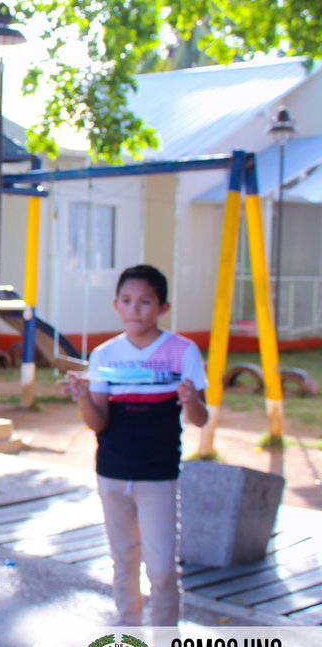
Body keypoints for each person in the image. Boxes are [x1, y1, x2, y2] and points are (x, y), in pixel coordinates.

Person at [62, 264, 207, 626]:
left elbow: (200, 419)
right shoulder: (104, 354)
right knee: (124, 560)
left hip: (158, 476)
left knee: (161, 570)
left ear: (163, 307)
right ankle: (129, 633)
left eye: (144, 301)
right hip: (112, 472)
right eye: (126, 301)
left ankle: (165, 643)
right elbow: (99, 422)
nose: (134, 309)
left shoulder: (183, 351)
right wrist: (82, 397)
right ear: (116, 305)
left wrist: (191, 399)